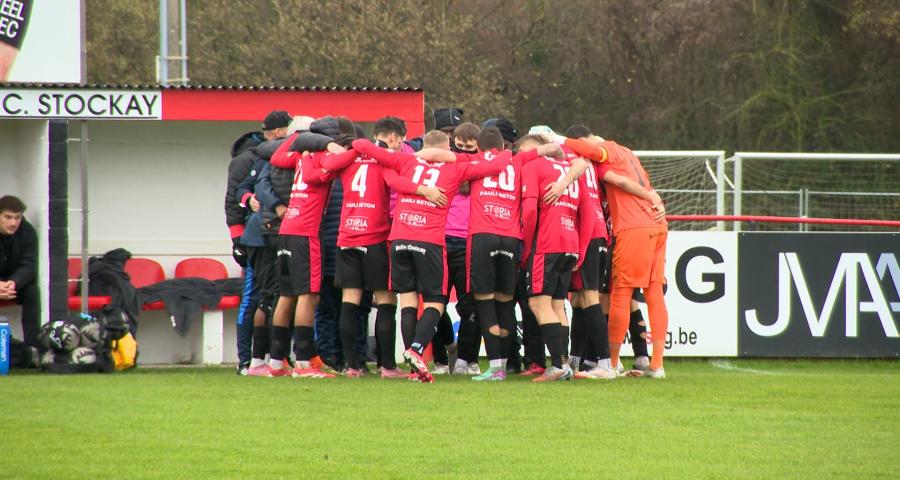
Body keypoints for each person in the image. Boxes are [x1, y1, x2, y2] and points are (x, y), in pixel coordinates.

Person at [351, 131, 510, 383]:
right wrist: (508, 149)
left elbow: (361, 145)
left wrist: (414, 175)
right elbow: (499, 164)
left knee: (408, 303)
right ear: (447, 149)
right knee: (436, 302)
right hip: (429, 240)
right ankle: (416, 349)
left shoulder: (406, 162)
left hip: (400, 238)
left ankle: (416, 369)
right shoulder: (457, 168)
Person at [315, 124, 448, 378]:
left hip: (347, 237)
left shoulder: (348, 162)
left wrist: (349, 152)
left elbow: (329, 167)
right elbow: (396, 183)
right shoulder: (382, 163)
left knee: (349, 300)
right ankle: (387, 366)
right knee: (386, 300)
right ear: (391, 138)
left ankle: (352, 366)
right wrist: (424, 190)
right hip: (375, 237)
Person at [552, 130, 669, 378]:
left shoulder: (606, 154)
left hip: (634, 227)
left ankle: (612, 364)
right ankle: (656, 364)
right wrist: (655, 200)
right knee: (654, 292)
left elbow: (620, 179)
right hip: (656, 224)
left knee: (621, 295)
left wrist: (558, 139)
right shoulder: (629, 154)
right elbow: (644, 185)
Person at [463, 127, 564, 381]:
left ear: (478, 147)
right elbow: (545, 150)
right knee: (506, 300)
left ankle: (497, 368)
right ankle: (509, 363)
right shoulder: (516, 159)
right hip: (510, 237)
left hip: (483, 235)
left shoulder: (472, 160)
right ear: (504, 146)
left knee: (485, 300)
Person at [267, 121, 358, 379]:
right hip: (306, 234)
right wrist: (355, 147)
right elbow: (346, 158)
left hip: (287, 230)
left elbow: (276, 156)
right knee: (308, 296)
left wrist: (299, 139)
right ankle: (304, 363)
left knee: (287, 295)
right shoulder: (322, 157)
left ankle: (276, 361)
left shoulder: (300, 155)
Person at [519, 134, 595, 382]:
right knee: (557, 304)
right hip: (570, 243)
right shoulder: (570, 170)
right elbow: (590, 216)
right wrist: (581, 250)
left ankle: (559, 365)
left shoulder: (533, 165)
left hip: (547, 243)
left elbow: (530, 211)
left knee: (538, 304)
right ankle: (565, 364)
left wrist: (528, 247)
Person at [224, 110, 288, 374]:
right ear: (276, 132)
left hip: (269, 235)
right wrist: (237, 238)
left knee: (272, 296)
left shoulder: (271, 154)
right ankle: (246, 360)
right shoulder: (251, 158)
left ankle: (271, 358)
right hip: (256, 238)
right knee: (254, 297)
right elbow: (234, 198)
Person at [0, 195, 39, 349]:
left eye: (18, 217)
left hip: (13, 285)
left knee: (32, 292)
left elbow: (29, 265)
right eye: (8, 217)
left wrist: (13, 283)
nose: (13, 223)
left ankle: (32, 349)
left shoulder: (28, 232)